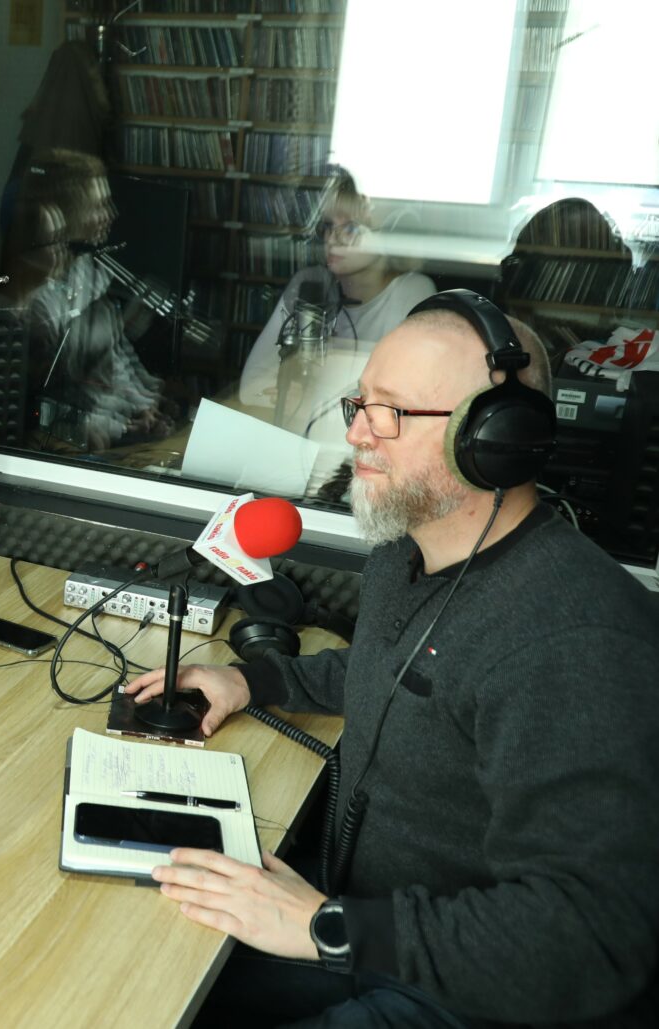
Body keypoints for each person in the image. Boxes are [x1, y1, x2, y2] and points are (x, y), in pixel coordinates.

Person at [126, 295, 659, 1027]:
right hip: (372, 926)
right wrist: (251, 680)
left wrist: (326, 926)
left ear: (496, 438)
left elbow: (588, 941)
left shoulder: (573, 640)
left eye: (392, 413)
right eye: (361, 403)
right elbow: (402, 672)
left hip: (465, 991)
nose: (355, 433)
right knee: (135, 958)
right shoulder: (406, 555)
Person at [238, 170, 435, 492]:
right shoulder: (310, 284)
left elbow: (391, 407)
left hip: (361, 473)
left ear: (389, 235)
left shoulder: (412, 291)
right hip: (290, 464)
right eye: (328, 226)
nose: (333, 239)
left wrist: (302, 391)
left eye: (352, 228)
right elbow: (251, 388)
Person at [2, 148, 172, 452]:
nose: (112, 215)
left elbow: (115, 356)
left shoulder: (91, 271)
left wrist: (145, 402)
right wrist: (124, 424)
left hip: (114, 427)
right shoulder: (39, 304)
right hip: (86, 440)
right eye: (100, 206)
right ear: (70, 213)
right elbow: (59, 400)